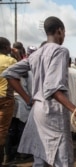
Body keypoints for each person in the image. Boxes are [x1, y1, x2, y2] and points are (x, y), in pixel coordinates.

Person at [1, 16, 76, 167]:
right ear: (59, 31)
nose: (64, 36)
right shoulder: (61, 51)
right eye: (64, 32)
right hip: (53, 112)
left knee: (41, 155)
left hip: (37, 112)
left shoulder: (35, 54)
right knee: (63, 159)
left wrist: (28, 98)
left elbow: (9, 73)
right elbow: (53, 88)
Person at [0, 37, 17, 166]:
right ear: (6, 47)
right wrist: (16, 55)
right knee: (2, 130)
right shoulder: (11, 60)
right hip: (5, 99)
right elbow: (21, 77)